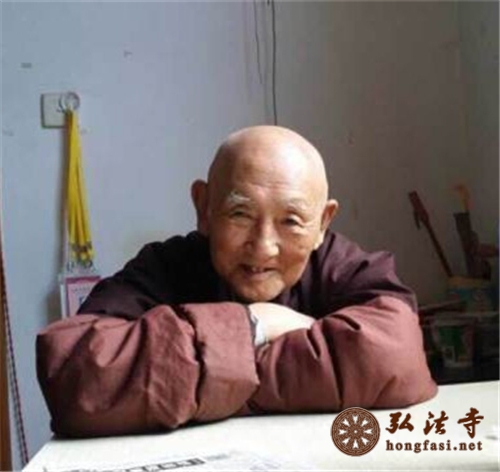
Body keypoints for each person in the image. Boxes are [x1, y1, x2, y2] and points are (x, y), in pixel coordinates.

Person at [37, 126, 437, 438]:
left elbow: (394, 356)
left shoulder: (340, 266)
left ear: (323, 222)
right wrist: (256, 323)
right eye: (240, 214)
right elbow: (76, 377)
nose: (263, 247)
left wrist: (189, 381)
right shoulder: (166, 267)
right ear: (204, 207)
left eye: (291, 221)